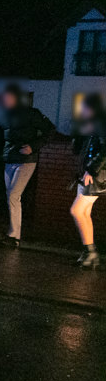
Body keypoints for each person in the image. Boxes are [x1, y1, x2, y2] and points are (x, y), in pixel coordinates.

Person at [0, 83, 54, 247]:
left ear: (15, 98)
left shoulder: (31, 114)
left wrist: (33, 147)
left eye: (8, 97)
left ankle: (14, 237)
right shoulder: (3, 116)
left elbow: (50, 130)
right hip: (9, 160)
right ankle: (14, 236)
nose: (5, 101)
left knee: (13, 195)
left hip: (26, 161)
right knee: (12, 197)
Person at [70, 93, 106, 268]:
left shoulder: (101, 123)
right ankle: (89, 253)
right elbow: (78, 148)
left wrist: (91, 169)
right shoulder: (91, 124)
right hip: (87, 173)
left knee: (77, 210)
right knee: (84, 213)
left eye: (83, 107)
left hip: (94, 175)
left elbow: (105, 150)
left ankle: (91, 252)